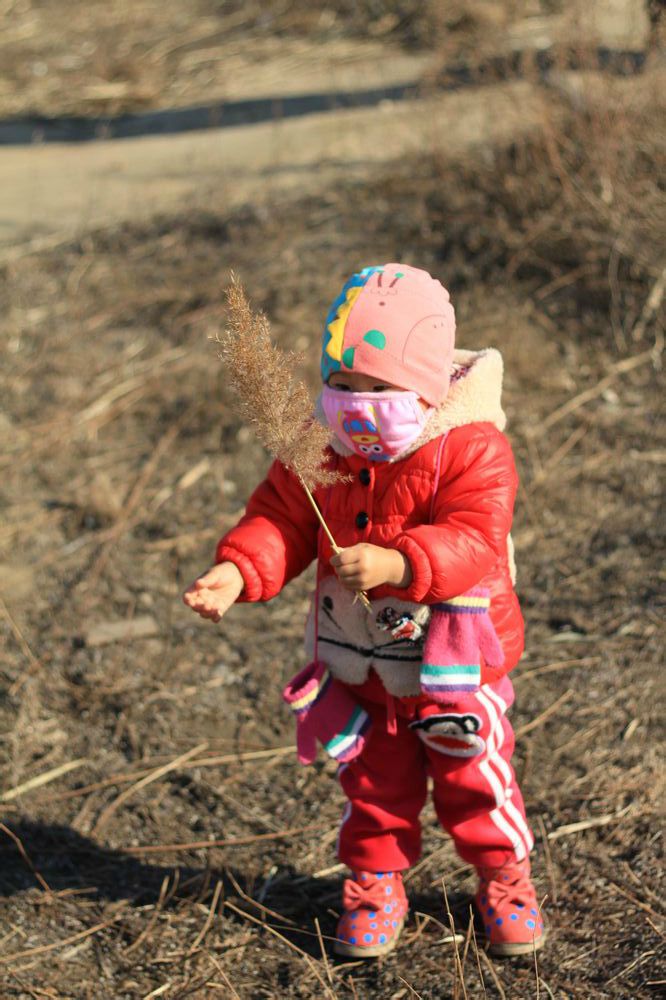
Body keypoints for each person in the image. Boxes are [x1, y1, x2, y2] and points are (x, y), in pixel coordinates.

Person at [183, 263, 546, 959]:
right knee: (374, 787)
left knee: (476, 779)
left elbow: (476, 537)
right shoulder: (319, 447)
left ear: (427, 383)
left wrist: (398, 563)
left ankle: (505, 878)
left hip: (453, 668)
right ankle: (375, 884)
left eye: (378, 388)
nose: (356, 404)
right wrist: (239, 569)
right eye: (343, 385)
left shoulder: (471, 447)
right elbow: (282, 518)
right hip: (362, 667)